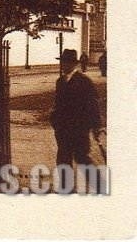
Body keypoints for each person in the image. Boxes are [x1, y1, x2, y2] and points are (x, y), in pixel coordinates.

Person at [49, 49, 104, 192]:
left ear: (74, 64)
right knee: (63, 158)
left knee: (82, 157)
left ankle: (100, 186)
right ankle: (66, 188)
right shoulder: (60, 81)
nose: (64, 65)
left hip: (79, 128)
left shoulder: (84, 81)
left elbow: (93, 104)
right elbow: (57, 104)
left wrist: (97, 126)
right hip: (62, 129)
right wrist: (54, 119)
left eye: (67, 62)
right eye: (62, 62)